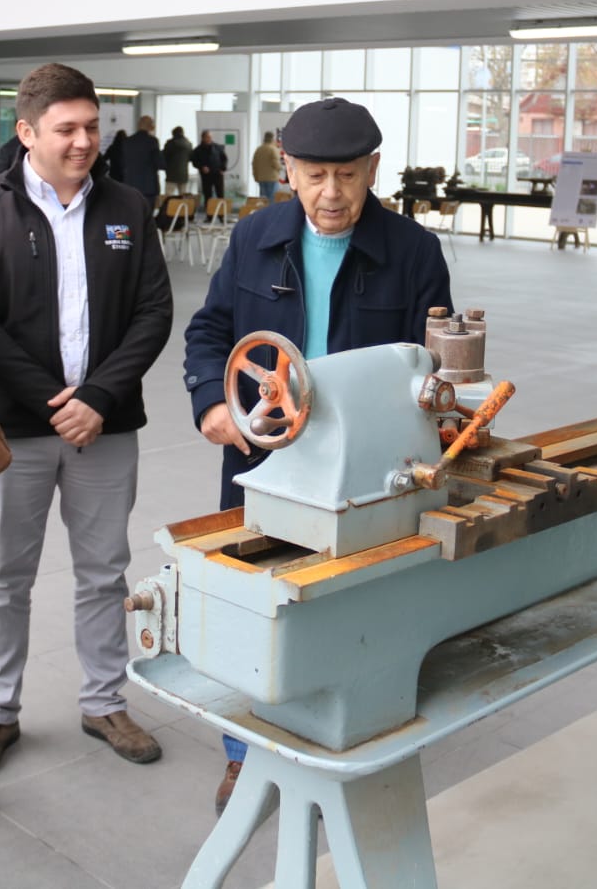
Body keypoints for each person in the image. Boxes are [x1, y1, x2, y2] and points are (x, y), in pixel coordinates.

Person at [182, 96, 453, 817]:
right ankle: (243, 755)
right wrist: (213, 400)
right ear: (286, 171)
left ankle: (344, 729)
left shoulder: (414, 253)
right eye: (313, 175)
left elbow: (433, 373)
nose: (330, 194)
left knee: (351, 594)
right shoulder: (253, 240)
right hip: (263, 458)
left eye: (346, 175)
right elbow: (209, 331)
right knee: (252, 600)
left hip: (363, 466)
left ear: (372, 170)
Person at [0, 63, 174, 779]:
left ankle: (104, 700)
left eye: (91, 126)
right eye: (66, 129)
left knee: (104, 572)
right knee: (4, 576)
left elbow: (153, 312)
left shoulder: (128, 207)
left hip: (104, 427)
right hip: (14, 430)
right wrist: (55, 400)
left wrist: (98, 399)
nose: (83, 141)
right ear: (26, 132)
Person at [121, 115, 164, 214]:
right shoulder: (152, 141)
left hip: (130, 185)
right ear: (151, 126)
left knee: (132, 215)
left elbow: (122, 163)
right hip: (148, 186)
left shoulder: (127, 141)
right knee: (147, 217)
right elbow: (160, 163)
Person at [191, 129, 228, 202]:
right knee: (208, 195)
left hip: (218, 174)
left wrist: (222, 169)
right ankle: (209, 212)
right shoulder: (197, 150)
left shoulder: (218, 147)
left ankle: (221, 212)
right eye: (207, 137)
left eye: (210, 137)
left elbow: (224, 159)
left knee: (220, 194)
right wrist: (201, 167)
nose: (209, 139)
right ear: (203, 138)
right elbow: (194, 162)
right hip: (206, 175)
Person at [251, 130, 282, 200]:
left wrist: (256, 177)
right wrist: (281, 168)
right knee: (272, 199)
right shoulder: (273, 149)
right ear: (272, 139)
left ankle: (264, 210)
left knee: (263, 199)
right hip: (272, 178)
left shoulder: (258, 149)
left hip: (261, 178)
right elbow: (275, 163)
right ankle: (272, 211)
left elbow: (254, 164)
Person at [162, 125, 193, 195]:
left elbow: (164, 156)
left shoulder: (170, 143)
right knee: (183, 196)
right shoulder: (189, 144)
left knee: (168, 197)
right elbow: (191, 158)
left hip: (171, 175)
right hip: (184, 174)